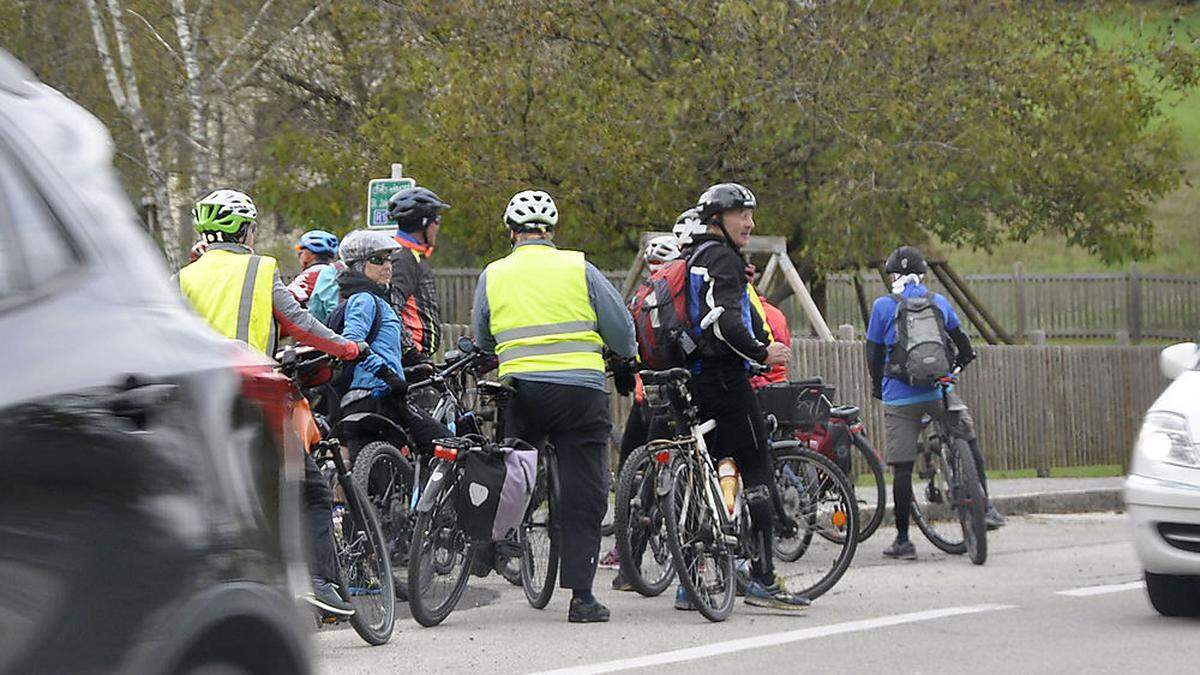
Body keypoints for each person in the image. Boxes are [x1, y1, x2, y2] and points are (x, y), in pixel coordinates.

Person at [177, 189, 361, 617]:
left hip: (202, 407)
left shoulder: (184, 278)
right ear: (244, 230)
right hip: (255, 401)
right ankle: (319, 583)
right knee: (311, 492)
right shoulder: (261, 270)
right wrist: (347, 348)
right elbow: (299, 323)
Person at [471, 189, 637, 623]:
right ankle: (581, 597)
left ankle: (493, 542)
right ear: (551, 233)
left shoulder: (493, 274)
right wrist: (623, 355)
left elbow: (483, 336)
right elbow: (620, 330)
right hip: (579, 393)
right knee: (585, 489)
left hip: (520, 391)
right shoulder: (579, 267)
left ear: (512, 233)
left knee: (512, 468)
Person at [681, 182, 810, 610]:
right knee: (757, 468)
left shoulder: (696, 255)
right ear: (718, 218)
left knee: (717, 471)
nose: (750, 223)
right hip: (724, 378)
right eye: (742, 215)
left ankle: (694, 579)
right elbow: (724, 323)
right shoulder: (723, 259)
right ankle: (764, 577)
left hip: (696, 378)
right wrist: (761, 351)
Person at [865, 245, 1006, 561]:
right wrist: (951, 373)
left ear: (892, 277)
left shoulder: (883, 307)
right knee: (967, 439)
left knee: (902, 468)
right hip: (939, 391)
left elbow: (873, 354)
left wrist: (878, 387)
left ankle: (903, 541)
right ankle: (986, 507)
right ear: (923, 275)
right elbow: (965, 348)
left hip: (899, 396)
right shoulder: (939, 302)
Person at [603, 233, 683, 584]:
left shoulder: (637, 298)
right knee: (680, 473)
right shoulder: (681, 296)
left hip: (642, 397)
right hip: (675, 395)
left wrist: (625, 381)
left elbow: (622, 351)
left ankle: (626, 564)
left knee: (630, 478)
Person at [332, 230, 453, 455]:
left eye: (389, 259)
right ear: (358, 266)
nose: (387, 266)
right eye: (377, 260)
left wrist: (415, 367)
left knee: (387, 475)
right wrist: (386, 374)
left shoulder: (375, 300)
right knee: (447, 443)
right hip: (375, 397)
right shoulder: (364, 300)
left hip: (378, 395)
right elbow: (351, 343)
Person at [386, 186, 449, 365]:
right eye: (436, 219)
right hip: (408, 361)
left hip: (415, 357)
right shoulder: (404, 259)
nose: (438, 225)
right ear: (423, 223)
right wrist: (410, 352)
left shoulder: (410, 255)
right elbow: (391, 309)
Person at [288, 229, 341, 323]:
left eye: (301, 250)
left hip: (316, 332)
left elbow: (284, 300)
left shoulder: (311, 275)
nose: (299, 254)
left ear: (310, 254)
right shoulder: (337, 272)